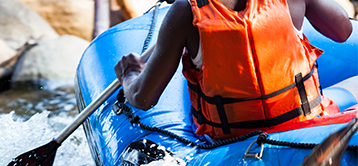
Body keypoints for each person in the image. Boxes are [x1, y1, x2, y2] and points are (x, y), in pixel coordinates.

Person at [114, 0, 357, 140]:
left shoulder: (184, 13)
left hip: (230, 143)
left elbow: (143, 98)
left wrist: (130, 73)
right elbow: (342, 30)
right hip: (308, 125)